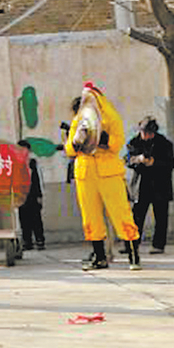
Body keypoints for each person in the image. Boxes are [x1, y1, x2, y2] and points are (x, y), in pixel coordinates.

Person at [65, 85, 142, 271]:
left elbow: (117, 144)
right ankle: (99, 257)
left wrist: (103, 139)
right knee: (90, 216)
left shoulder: (111, 118)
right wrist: (76, 141)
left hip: (108, 172)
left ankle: (133, 255)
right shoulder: (78, 120)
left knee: (121, 213)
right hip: (85, 172)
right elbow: (69, 148)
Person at [126, 117, 174, 254]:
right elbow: (128, 160)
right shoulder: (134, 142)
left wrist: (154, 162)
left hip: (160, 184)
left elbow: (171, 164)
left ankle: (159, 245)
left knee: (161, 217)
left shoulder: (164, 143)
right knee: (137, 216)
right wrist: (139, 160)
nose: (147, 136)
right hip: (141, 184)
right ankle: (132, 244)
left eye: (150, 133)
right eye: (144, 132)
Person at [16, 140, 46, 250]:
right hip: (21, 196)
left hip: (33, 195)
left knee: (36, 219)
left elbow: (39, 179)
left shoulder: (33, 163)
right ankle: (27, 242)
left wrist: (40, 195)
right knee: (24, 220)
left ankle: (40, 240)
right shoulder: (16, 163)